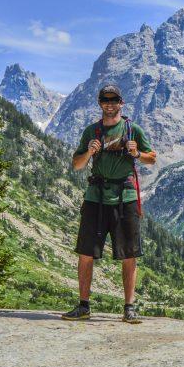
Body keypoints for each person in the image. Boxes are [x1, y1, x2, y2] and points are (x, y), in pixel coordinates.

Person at [61, 84, 156, 323]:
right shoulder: (91, 132)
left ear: (121, 103)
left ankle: (129, 307)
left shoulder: (133, 130)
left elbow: (152, 159)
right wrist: (89, 153)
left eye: (114, 100)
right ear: (100, 103)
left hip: (125, 197)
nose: (110, 104)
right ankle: (84, 306)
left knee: (129, 255)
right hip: (96, 196)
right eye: (105, 100)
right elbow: (77, 165)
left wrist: (136, 154)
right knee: (85, 252)